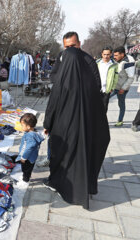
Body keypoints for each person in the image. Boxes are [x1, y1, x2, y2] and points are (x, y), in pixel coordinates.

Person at [43, 47, 110, 209]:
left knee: (63, 158)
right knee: (81, 158)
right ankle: (83, 189)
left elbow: (52, 106)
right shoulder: (90, 83)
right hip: (85, 129)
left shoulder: (62, 83)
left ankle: (61, 186)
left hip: (64, 129)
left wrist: (47, 125)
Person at [15, 113, 44, 182]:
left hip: (27, 157)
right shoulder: (35, 132)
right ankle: (28, 175)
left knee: (25, 170)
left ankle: (25, 180)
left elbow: (29, 148)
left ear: (28, 127)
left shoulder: (30, 136)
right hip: (33, 157)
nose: (21, 127)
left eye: (22, 125)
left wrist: (23, 157)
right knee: (29, 168)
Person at [110, 46, 136, 127]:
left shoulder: (129, 62)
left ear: (122, 54)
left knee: (121, 104)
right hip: (114, 86)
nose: (115, 57)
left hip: (122, 88)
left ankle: (120, 120)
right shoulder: (117, 60)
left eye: (116, 55)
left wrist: (123, 88)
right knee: (104, 100)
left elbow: (131, 78)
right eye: (114, 55)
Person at [96, 47, 118, 113]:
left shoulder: (114, 64)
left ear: (111, 54)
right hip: (97, 89)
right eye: (104, 54)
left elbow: (116, 77)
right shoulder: (97, 63)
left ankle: (103, 123)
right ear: (102, 54)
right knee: (95, 107)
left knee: (104, 108)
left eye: (108, 54)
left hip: (107, 90)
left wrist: (112, 88)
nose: (106, 56)